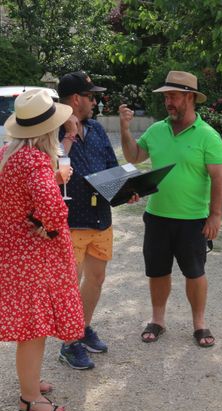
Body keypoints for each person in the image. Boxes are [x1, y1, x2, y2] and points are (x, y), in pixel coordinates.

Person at [119, 71, 222, 347]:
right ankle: (158, 320)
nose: (169, 101)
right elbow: (134, 157)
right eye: (166, 96)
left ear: (190, 98)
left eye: (174, 96)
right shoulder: (156, 130)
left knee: (195, 273)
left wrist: (215, 215)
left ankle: (200, 324)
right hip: (156, 217)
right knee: (157, 271)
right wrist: (124, 129)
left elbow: (218, 178)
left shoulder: (208, 136)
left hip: (193, 220)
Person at [0, 89, 84, 411]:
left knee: (32, 326)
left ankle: (31, 383)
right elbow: (52, 208)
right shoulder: (35, 159)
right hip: (32, 258)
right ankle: (29, 398)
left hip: (15, 253)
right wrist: (50, 228)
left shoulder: (9, 152)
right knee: (33, 329)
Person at [56, 71, 121, 369]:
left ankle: (82, 328)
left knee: (96, 279)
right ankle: (68, 343)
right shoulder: (53, 132)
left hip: (100, 219)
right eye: (91, 96)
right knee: (70, 284)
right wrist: (67, 134)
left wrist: (126, 189)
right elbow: (50, 171)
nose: (95, 101)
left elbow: (112, 168)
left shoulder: (96, 129)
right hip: (71, 222)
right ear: (76, 99)